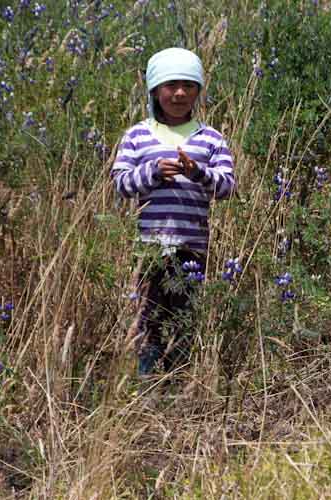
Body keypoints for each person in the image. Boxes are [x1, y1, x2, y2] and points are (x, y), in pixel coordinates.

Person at [110, 47, 236, 378]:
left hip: (192, 250)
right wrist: (152, 172)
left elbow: (226, 187)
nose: (180, 93)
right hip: (149, 248)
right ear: (154, 89)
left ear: (198, 90)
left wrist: (197, 172)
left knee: (184, 320)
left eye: (188, 85)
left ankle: (180, 387)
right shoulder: (137, 135)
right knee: (149, 319)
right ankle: (149, 388)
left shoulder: (211, 138)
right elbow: (121, 184)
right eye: (170, 85)